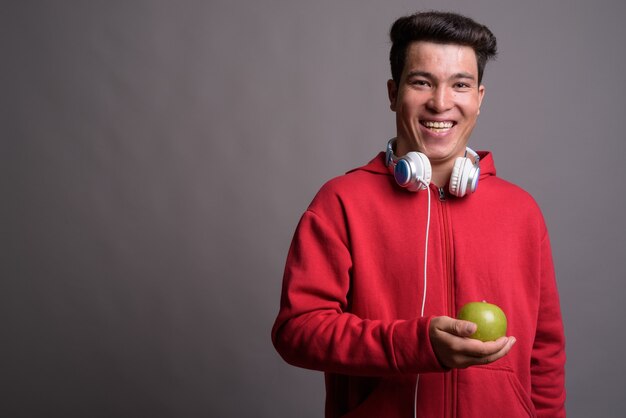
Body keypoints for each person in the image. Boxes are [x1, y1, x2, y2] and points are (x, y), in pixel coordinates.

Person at [272, 11, 565, 418]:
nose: (440, 102)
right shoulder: (341, 201)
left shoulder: (522, 212)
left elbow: (545, 355)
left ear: (479, 99)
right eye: (422, 82)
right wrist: (416, 343)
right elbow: (297, 332)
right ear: (393, 93)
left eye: (459, 85)